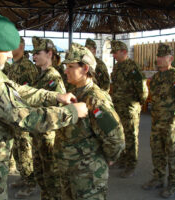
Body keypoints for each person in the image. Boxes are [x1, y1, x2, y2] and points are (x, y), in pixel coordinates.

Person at [0, 14, 88, 200]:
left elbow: (15, 89)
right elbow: (27, 119)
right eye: (5, 51)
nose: (9, 56)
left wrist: (55, 96)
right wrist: (72, 112)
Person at [54, 43, 125, 199]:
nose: (65, 71)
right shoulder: (73, 93)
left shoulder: (95, 99)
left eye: (71, 67)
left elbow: (116, 139)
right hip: (69, 171)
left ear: (85, 69)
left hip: (88, 176)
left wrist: (106, 159)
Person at [142, 43, 175, 198]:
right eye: (158, 56)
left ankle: (173, 183)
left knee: (173, 154)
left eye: (162, 56)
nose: (159, 59)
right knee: (157, 152)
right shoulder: (156, 77)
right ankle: (158, 178)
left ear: (170, 58)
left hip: (171, 125)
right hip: (156, 123)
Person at [31, 36, 66, 200]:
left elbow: (60, 110)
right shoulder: (41, 76)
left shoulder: (54, 78)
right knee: (41, 174)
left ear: (50, 53)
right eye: (33, 53)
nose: (34, 56)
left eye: (38, 53)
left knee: (52, 176)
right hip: (38, 133)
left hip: (48, 136)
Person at [3, 37, 39, 198]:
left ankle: (31, 183)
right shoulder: (12, 66)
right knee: (17, 151)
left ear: (22, 46)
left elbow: (30, 94)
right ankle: (24, 178)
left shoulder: (27, 67)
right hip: (13, 115)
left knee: (25, 150)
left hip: (24, 116)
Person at [110, 40, 148, 178]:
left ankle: (131, 164)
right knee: (121, 134)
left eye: (115, 52)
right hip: (118, 107)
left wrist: (138, 104)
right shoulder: (117, 67)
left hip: (130, 108)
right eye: (112, 52)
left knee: (131, 136)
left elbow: (142, 88)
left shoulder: (133, 67)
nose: (113, 55)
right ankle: (123, 159)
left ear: (124, 52)